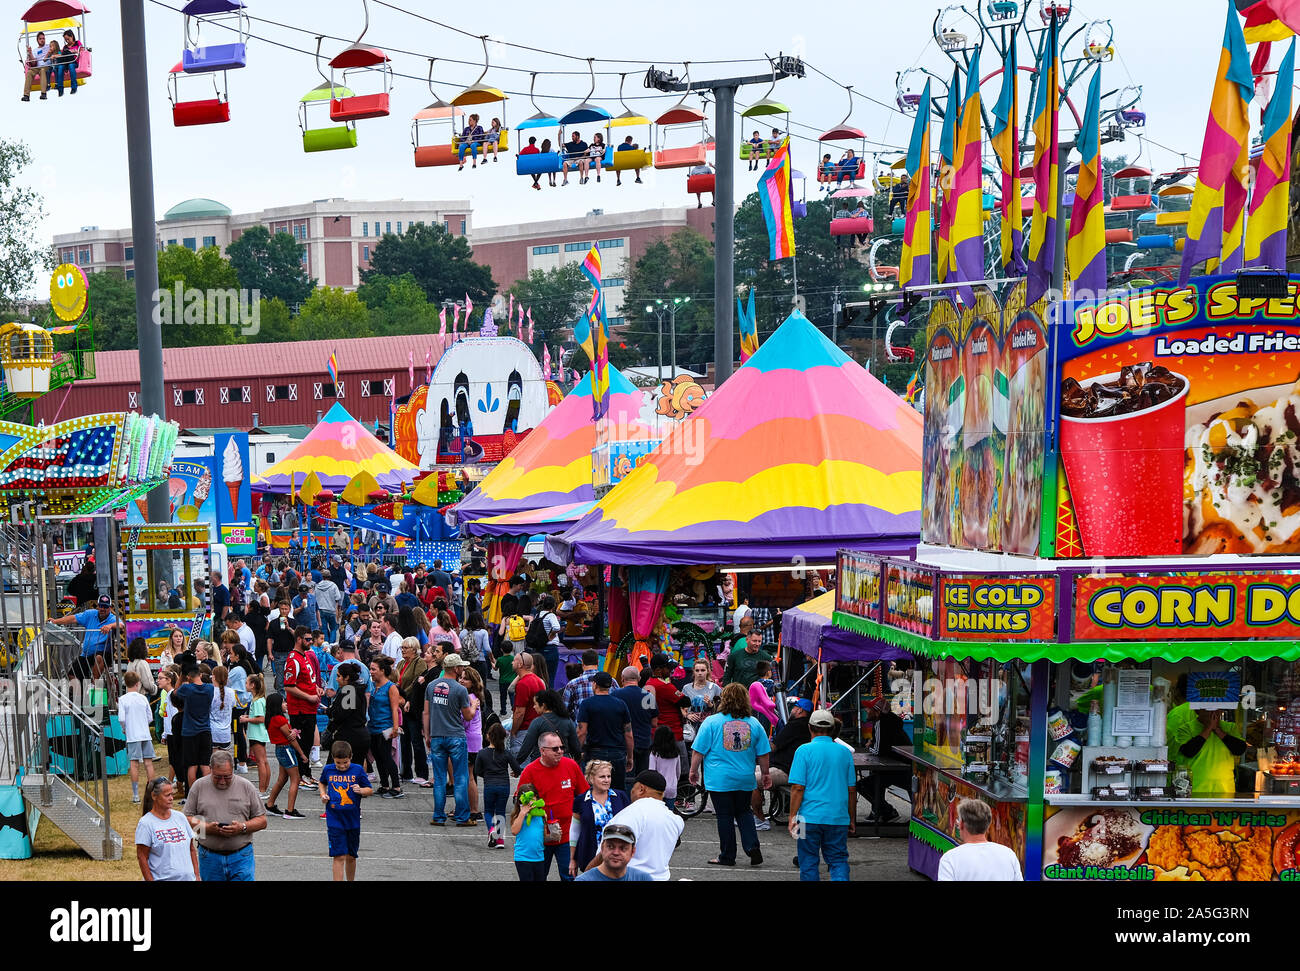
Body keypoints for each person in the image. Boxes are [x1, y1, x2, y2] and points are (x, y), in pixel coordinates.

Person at [690, 682, 771, 867]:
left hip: (719, 779)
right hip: (744, 777)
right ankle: (752, 847)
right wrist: (765, 774)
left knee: (725, 816)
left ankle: (727, 855)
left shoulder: (712, 722)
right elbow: (763, 753)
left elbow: (698, 751)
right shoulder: (754, 723)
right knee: (744, 812)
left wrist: (693, 771)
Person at [787, 708, 857, 881]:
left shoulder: (803, 751)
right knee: (838, 859)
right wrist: (852, 818)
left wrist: (792, 816)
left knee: (807, 860)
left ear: (810, 727)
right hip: (838, 817)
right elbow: (851, 790)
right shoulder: (845, 753)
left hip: (805, 819)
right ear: (832, 729)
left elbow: (797, 788)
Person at [183, 751, 267, 881]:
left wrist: (242, 827)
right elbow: (186, 820)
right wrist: (206, 828)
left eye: (227, 777)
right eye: (217, 777)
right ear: (210, 769)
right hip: (209, 857)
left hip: (241, 856)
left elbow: (262, 820)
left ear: (233, 769)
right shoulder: (199, 786)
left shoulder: (246, 786)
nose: (222, 781)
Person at [516, 730, 589, 879]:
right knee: (539, 876)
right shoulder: (530, 772)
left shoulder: (571, 765)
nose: (560, 751)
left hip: (567, 834)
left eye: (562, 748)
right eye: (555, 749)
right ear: (542, 751)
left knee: (568, 876)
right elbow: (520, 801)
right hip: (540, 837)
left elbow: (584, 796)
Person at [591, 769, 684, 881]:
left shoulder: (629, 815)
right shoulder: (676, 820)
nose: (631, 793)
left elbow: (605, 855)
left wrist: (586, 875)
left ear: (641, 789)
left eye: (632, 789)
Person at [1168, 674, 1247, 796]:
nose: (1213, 712)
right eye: (1208, 709)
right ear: (1197, 711)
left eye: (1217, 709)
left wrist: (1218, 730)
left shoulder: (1230, 728)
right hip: (1195, 789)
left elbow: (1240, 749)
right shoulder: (1186, 728)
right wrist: (1208, 729)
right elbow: (1189, 751)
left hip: (1224, 790)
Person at [424, 653, 475, 826]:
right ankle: (462, 817)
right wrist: (474, 706)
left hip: (437, 735)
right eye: (461, 666)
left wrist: (427, 734)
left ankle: (438, 816)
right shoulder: (461, 689)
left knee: (439, 778)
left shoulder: (431, 686)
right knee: (460, 777)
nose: (462, 669)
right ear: (455, 668)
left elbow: (426, 712)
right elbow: (468, 716)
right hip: (455, 736)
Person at [318, 740, 373, 881]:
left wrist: (361, 790)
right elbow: (322, 782)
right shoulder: (328, 769)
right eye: (338, 763)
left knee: (351, 856)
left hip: (353, 820)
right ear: (333, 759)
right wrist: (323, 794)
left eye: (345, 762)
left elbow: (369, 790)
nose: (342, 766)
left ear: (351, 757)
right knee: (338, 856)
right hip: (334, 819)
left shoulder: (358, 770)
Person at [567, 757, 630, 876]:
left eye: (608, 776)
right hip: (590, 857)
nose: (606, 780)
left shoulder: (621, 797)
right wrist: (572, 859)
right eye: (602, 777)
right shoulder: (581, 800)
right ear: (591, 778)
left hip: (618, 857)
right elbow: (575, 830)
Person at [937, 797, 1023, 881]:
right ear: (988, 825)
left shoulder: (950, 859)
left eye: (958, 820)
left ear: (962, 824)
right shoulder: (1008, 855)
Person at [576, 671, 634, 791]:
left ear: (595, 684)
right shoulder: (621, 704)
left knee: (595, 791)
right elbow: (628, 734)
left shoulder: (587, 704)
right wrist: (630, 757)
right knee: (617, 792)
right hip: (617, 754)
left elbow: (582, 732)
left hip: (595, 753)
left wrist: (577, 753)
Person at [135, 779, 199, 882]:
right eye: (167, 795)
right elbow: (142, 857)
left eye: (172, 795)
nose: (171, 798)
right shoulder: (146, 823)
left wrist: (197, 876)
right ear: (154, 796)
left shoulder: (180, 817)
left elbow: (191, 848)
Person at [52, 594, 121, 683]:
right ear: (98, 606)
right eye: (100, 606)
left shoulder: (112, 618)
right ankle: (80, 694)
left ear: (110, 608)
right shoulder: (90, 614)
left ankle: (93, 685)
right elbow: (73, 618)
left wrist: (110, 626)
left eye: (105, 607)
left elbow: (121, 625)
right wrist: (55, 621)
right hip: (87, 653)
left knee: (99, 657)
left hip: (103, 652)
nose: (102, 609)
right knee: (72, 674)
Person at [282, 628, 321, 784]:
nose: (310, 642)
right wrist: (309, 696)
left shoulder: (304, 656)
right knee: (302, 743)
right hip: (300, 709)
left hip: (309, 708)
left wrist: (316, 688)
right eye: (307, 639)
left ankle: (306, 773)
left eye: (311, 639)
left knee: (308, 742)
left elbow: (307, 681)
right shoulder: (293, 659)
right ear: (298, 639)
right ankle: (300, 775)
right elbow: (288, 686)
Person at [475, 722, 520, 849]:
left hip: (490, 785)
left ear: (488, 736)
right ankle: (500, 840)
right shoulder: (506, 753)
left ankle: (491, 830)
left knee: (488, 811)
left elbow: (477, 771)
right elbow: (517, 768)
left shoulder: (482, 753)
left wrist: (487, 776)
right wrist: (515, 773)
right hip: (504, 785)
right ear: (503, 737)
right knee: (500, 812)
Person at [264, 692, 308, 819]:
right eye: (283, 702)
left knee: (282, 779)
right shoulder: (280, 719)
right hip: (286, 749)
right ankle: (290, 810)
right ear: (277, 705)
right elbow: (291, 739)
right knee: (296, 778)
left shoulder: (271, 718)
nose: (286, 704)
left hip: (280, 749)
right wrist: (302, 754)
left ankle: (270, 804)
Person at [367, 656, 405, 799]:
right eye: (370, 669)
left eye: (373, 669)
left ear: (382, 671)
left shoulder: (391, 687)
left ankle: (396, 786)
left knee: (386, 756)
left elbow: (395, 709)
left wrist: (395, 728)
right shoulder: (373, 686)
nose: (371, 672)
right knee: (377, 756)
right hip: (373, 726)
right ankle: (384, 785)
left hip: (386, 727)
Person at [174, 665, 215, 794]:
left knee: (192, 765)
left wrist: (180, 677)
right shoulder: (209, 688)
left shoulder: (187, 689)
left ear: (188, 677)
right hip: (205, 730)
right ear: (200, 675)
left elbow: (175, 692)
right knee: (205, 764)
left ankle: (193, 794)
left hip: (189, 731)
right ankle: (208, 792)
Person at [517, 689, 582, 765]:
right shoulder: (567, 721)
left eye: (535, 704)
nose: (534, 707)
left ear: (543, 705)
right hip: (563, 761)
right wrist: (576, 760)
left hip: (541, 761)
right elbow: (575, 746)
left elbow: (527, 746)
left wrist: (517, 763)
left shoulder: (538, 722)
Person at [613, 665, 657, 775]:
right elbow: (654, 723)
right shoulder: (648, 696)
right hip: (643, 743)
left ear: (622, 678)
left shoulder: (615, 695)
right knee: (642, 778)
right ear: (639, 679)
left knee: (626, 778)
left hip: (622, 744)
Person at [325, 660, 370, 767]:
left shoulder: (349, 690)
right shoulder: (357, 690)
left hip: (349, 738)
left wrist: (329, 711)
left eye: (339, 676)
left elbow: (341, 715)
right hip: (359, 736)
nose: (336, 679)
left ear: (347, 678)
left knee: (335, 771)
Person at [396, 637, 428, 785]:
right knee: (404, 741)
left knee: (416, 741)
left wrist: (403, 696)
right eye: (401, 647)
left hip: (413, 705)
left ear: (414, 649)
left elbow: (417, 683)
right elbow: (397, 680)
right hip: (402, 705)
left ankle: (422, 772)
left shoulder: (419, 662)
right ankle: (406, 772)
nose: (402, 650)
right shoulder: (401, 663)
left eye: (405, 648)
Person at [119, 670, 155, 803]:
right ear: (138, 683)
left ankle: (136, 795)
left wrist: (125, 729)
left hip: (133, 735)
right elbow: (150, 717)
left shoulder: (123, 699)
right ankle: (152, 793)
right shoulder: (143, 698)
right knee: (148, 763)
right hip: (145, 733)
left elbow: (121, 718)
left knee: (134, 764)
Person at [574, 823, 653, 881]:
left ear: (633, 852)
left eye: (623, 848)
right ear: (602, 848)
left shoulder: (643, 878)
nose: (616, 852)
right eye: (610, 846)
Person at [646, 654, 688, 762]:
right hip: (672, 732)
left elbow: (645, 708)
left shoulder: (648, 683)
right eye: (668, 668)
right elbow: (686, 701)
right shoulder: (664, 685)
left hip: (655, 733)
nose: (671, 670)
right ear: (659, 670)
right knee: (682, 771)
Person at [460, 664, 487, 819]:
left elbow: (465, 721)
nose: (462, 681)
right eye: (461, 677)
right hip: (475, 739)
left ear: (473, 682)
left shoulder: (470, 698)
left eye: (466, 679)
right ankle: (469, 807)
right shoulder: (475, 697)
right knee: (469, 776)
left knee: (469, 776)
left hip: (469, 740)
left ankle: (474, 810)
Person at [510, 652, 547, 752]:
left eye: (514, 660)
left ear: (520, 664)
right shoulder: (539, 680)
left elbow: (519, 713)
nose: (512, 662)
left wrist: (513, 731)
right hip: (538, 728)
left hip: (524, 729)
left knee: (521, 763)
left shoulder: (523, 684)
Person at [510, 782, 548, 881]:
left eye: (533, 798)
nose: (531, 802)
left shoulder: (541, 815)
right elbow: (514, 831)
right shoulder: (518, 815)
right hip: (523, 857)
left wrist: (554, 833)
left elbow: (544, 836)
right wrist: (522, 813)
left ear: (536, 798)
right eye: (528, 799)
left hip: (539, 857)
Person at [241, 674, 271, 797]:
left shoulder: (257, 701)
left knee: (261, 762)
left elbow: (261, 718)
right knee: (264, 761)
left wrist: (246, 720)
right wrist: (249, 717)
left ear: (253, 685)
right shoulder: (259, 699)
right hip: (258, 734)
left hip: (257, 734)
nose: (245, 685)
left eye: (247, 683)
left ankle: (262, 789)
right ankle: (265, 787)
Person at [562, 649, 602, 719]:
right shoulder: (612, 681)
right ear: (598, 662)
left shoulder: (572, 684)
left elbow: (564, 710)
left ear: (582, 663)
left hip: (580, 727)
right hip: (605, 726)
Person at [209, 666, 238, 757]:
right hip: (225, 732)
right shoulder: (231, 692)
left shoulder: (210, 691)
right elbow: (233, 705)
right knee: (225, 761)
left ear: (214, 677)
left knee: (214, 760)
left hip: (212, 730)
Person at [648, 726, 680, 808]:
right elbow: (678, 771)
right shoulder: (676, 753)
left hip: (658, 787)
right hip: (671, 787)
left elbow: (652, 772)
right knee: (669, 812)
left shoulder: (655, 753)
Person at [315, 570, 342, 647]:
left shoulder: (318, 586)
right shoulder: (333, 585)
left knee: (324, 629)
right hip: (331, 610)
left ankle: (325, 645)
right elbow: (338, 597)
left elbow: (315, 597)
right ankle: (332, 645)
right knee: (333, 628)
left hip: (321, 610)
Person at [21, 33, 50, 102]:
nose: (42, 40)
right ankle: (26, 95)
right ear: (37, 40)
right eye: (40, 39)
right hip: (37, 67)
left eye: (43, 38)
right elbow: (34, 63)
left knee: (43, 70)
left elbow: (55, 49)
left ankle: (43, 93)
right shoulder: (35, 51)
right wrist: (30, 53)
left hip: (46, 66)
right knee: (30, 72)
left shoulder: (48, 46)